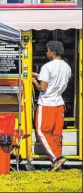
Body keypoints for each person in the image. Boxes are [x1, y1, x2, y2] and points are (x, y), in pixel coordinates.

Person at [32, 41, 71, 171]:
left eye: (48, 50)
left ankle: (56, 158)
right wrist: (39, 76)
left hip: (46, 104)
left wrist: (33, 81)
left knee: (41, 131)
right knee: (56, 134)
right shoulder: (67, 67)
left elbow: (42, 88)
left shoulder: (47, 66)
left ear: (53, 52)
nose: (46, 52)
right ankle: (57, 162)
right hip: (59, 103)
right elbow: (56, 80)